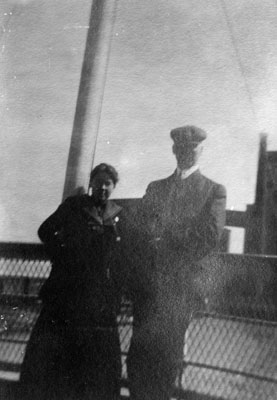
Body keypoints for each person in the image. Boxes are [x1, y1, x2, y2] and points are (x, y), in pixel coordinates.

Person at [127, 126, 227, 400]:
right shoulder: (156, 188)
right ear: (174, 150)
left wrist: (165, 237)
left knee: (165, 361)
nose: (186, 153)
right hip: (149, 287)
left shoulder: (213, 191)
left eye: (192, 148)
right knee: (138, 359)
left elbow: (209, 235)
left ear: (201, 150)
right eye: (181, 148)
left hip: (179, 289)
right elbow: (137, 227)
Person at [19, 163, 128, 400]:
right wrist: (64, 256)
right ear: (91, 184)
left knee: (98, 355)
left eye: (107, 183)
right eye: (98, 182)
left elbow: (126, 252)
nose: (102, 187)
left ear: (114, 186)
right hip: (70, 289)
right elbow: (46, 230)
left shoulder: (119, 214)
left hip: (100, 294)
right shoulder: (74, 206)